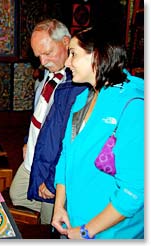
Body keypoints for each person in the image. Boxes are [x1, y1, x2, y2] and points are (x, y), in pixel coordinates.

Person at [52, 27, 144, 239]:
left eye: (73, 54)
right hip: (77, 218)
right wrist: (59, 206)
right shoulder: (82, 98)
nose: (67, 63)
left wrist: (87, 231)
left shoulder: (134, 106)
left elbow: (134, 191)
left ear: (97, 55)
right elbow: (67, 154)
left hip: (112, 233)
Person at [9, 19, 87, 224]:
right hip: (35, 153)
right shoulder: (50, 72)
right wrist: (28, 139)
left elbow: (72, 142)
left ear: (66, 42)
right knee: (17, 194)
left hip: (52, 166)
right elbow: (39, 113)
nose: (42, 61)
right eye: (38, 56)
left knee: (48, 222)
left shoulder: (78, 84)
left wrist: (52, 180)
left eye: (48, 52)